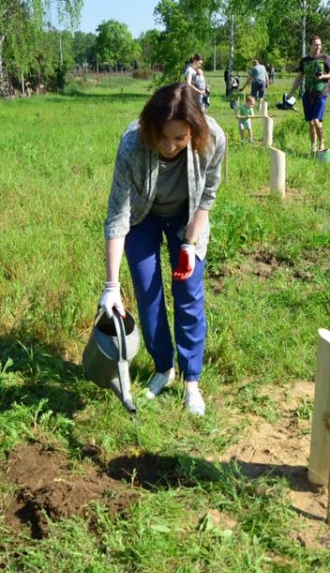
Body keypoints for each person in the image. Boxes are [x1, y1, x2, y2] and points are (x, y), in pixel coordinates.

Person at [100, 83, 226, 417]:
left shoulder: (213, 138)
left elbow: (208, 195)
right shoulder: (132, 143)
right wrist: (111, 285)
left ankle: (191, 381)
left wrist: (189, 243)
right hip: (143, 217)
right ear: (151, 128)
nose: (169, 147)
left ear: (193, 131)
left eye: (179, 138)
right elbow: (118, 215)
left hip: (187, 217)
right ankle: (163, 368)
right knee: (147, 291)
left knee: (188, 292)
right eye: (162, 137)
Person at [288, 35, 330, 153]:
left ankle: (322, 143)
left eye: (319, 44)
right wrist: (291, 92)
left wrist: (323, 76)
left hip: (321, 93)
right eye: (315, 44)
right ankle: (313, 148)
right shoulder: (304, 61)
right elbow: (299, 77)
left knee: (316, 121)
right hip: (308, 94)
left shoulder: (325, 58)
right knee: (310, 122)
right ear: (310, 45)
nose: (318, 47)